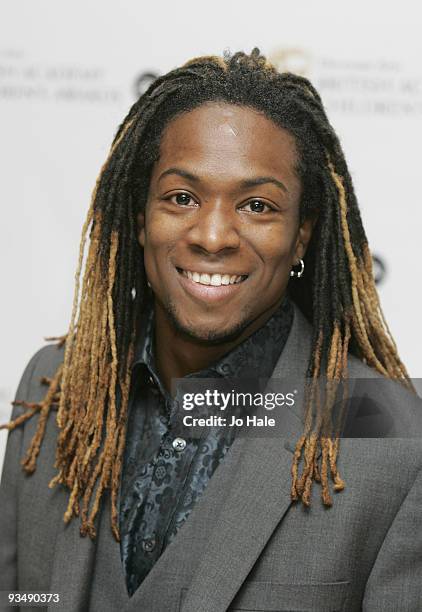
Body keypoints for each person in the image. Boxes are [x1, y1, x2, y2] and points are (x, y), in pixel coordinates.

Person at [0, 48, 421, 612]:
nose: (214, 235)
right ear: (139, 216)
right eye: (181, 198)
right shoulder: (52, 386)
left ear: (300, 237)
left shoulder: (392, 435)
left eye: (257, 205)